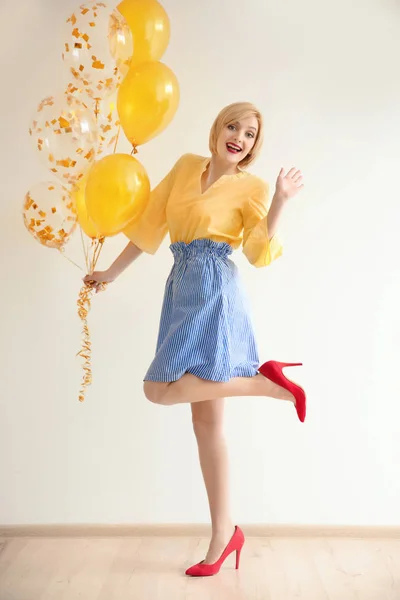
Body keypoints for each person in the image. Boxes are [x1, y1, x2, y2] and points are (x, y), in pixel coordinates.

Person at [84, 102, 306, 577]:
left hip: (214, 293)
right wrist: (110, 275)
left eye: (249, 135)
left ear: (253, 147)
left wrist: (281, 202)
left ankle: (269, 385)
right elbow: (149, 226)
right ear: (217, 128)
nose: (239, 138)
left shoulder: (252, 187)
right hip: (180, 286)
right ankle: (225, 534)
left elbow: (257, 252)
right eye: (234, 127)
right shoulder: (187, 167)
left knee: (156, 389)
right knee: (206, 427)